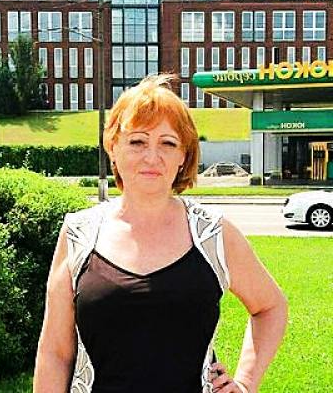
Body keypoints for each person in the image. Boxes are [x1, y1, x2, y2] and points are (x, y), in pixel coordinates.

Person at [33, 74, 287, 393]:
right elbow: (55, 353)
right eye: (137, 141)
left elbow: (270, 307)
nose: (152, 157)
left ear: (183, 156)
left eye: (168, 143)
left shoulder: (212, 233)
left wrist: (246, 383)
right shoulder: (79, 234)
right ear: (113, 147)